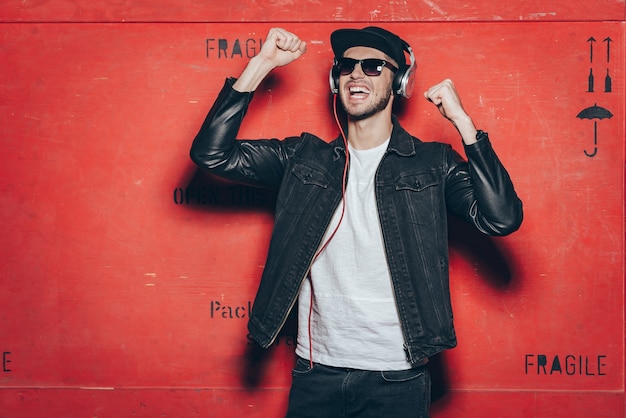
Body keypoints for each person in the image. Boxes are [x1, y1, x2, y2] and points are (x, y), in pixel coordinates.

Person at [190, 26, 522, 418]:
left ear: (399, 82)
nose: (356, 74)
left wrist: (465, 125)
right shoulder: (303, 159)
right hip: (316, 373)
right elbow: (211, 154)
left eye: (373, 66)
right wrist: (260, 65)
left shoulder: (434, 163)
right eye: (346, 66)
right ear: (335, 79)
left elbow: (501, 218)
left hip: (398, 378)